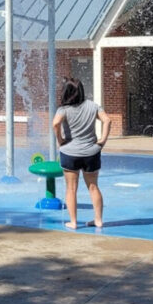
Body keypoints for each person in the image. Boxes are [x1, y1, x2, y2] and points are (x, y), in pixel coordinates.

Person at [52, 78, 111, 229]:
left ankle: (73, 222)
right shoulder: (93, 106)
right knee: (93, 187)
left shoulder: (63, 109)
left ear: (65, 92)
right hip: (91, 152)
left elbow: (55, 123)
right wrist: (102, 140)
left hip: (70, 152)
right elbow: (107, 120)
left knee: (71, 188)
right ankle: (98, 220)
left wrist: (60, 140)